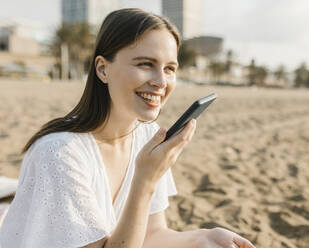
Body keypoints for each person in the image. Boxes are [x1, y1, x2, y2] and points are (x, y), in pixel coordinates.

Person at [0, 8, 256, 248]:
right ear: (102, 69)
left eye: (169, 68)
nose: (160, 81)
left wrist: (204, 237)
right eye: (145, 64)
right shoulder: (58, 153)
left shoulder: (145, 135)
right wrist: (145, 180)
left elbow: (151, 235)